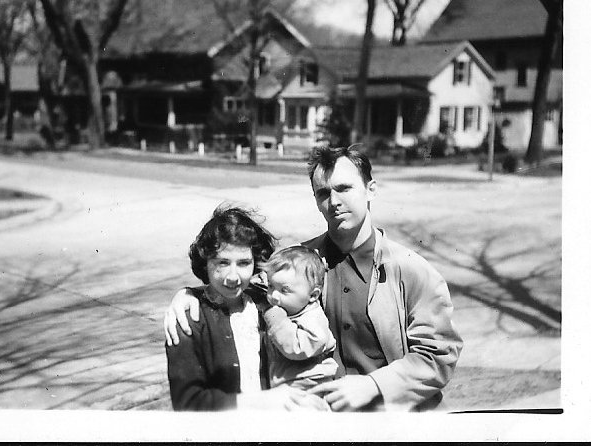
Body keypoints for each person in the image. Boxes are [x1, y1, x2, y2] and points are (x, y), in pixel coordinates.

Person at [164, 145, 463, 412]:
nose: (334, 201)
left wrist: (374, 385)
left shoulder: (411, 270)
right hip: (319, 421)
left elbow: (439, 355)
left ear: (371, 189)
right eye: (323, 193)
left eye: (344, 188)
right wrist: (190, 295)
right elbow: (239, 284)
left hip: (393, 421)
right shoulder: (299, 263)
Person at [165, 205, 326, 411]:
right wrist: (263, 401)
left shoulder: (267, 303)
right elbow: (188, 403)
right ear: (205, 263)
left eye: (243, 263)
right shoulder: (189, 317)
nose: (233, 277)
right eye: (222, 263)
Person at [258, 245, 338, 390]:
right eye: (270, 286)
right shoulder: (287, 310)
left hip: (309, 386)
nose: (273, 295)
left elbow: (296, 348)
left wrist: (276, 319)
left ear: (313, 295)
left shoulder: (313, 319)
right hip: (285, 385)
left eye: (284, 290)